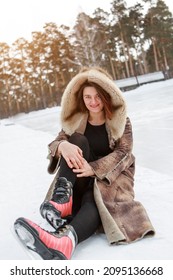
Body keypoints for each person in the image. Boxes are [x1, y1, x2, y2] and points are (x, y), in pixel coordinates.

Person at [14, 66, 155, 260]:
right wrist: (63, 145)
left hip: (109, 180)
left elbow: (124, 152)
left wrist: (94, 168)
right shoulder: (77, 120)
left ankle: (65, 242)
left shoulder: (121, 121)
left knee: (95, 199)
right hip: (78, 177)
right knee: (76, 141)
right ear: (82, 98)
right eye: (88, 97)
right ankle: (60, 202)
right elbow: (54, 143)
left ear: (106, 95)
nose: (93, 102)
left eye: (98, 96)